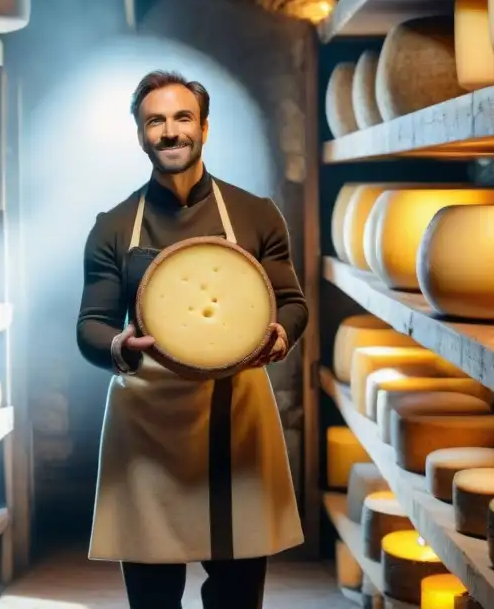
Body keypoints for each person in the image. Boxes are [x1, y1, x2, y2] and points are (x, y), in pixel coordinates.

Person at [76, 70, 309, 608]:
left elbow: (292, 302)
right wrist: (118, 347)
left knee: (237, 591)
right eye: (154, 120)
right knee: (152, 595)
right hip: (147, 426)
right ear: (139, 134)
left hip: (237, 417)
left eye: (182, 118)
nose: (169, 131)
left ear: (205, 127)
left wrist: (280, 335)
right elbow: (90, 324)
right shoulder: (113, 226)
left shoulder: (255, 214)